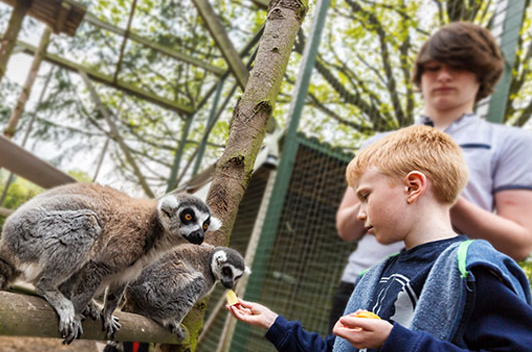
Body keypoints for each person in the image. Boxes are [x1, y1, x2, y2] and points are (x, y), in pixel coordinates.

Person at [227, 125, 532, 351]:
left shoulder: (475, 269)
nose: (360, 214)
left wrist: (394, 341)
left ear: (412, 187)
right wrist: (274, 324)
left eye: (366, 196)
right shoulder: (374, 277)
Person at [330, 21, 532, 334]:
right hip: (364, 284)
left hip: (444, 291)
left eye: (458, 66)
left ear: (481, 74)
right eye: (433, 67)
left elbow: (519, 243)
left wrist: (439, 192)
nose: (443, 76)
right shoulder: (380, 143)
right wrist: (382, 194)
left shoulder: (510, 142)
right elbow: (345, 226)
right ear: (420, 74)